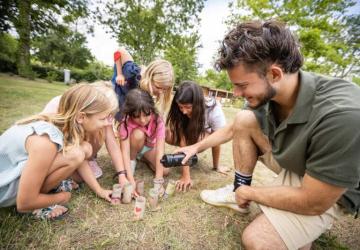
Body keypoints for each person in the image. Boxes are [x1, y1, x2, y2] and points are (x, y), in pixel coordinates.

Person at [175, 20, 360, 249]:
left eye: (242, 85)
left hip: (328, 189)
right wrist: (195, 148)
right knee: (243, 119)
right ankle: (240, 196)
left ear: (274, 74)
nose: (236, 93)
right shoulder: (268, 93)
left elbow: (314, 201)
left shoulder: (342, 114)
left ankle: (281, 221)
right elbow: (234, 129)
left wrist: (252, 192)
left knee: (257, 240)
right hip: (296, 165)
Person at [0, 84, 116, 219]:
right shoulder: (45, 142)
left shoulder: (64, 125)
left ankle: (42, 194)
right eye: (102, 119)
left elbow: (80, 160)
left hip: (14, 179)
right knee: (77, 153)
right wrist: (62, 197)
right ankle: (37, 205)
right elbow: (24, 203)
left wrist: (99, 190)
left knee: (81, 150)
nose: (106, 124)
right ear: (81, 117)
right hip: (5, 190)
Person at [42, 81, 135, 189]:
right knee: (78, 172)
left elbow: (111, 142)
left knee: (82, 174)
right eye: (104, 117)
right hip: (52, 155)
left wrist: (122, 174)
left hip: (72, 149)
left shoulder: (94, 117)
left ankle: (83, 161)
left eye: (109, 116)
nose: (108, 122)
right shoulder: (57, 110)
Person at [165, 81, 228, 192]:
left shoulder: (214, 110)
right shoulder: (181, 112)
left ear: (198, 103)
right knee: (166, 133)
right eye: (180, 107)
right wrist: (186, 175)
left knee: (210, 136)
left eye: (188, 107)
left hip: (201, 138)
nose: (184, 111)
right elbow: (183, 138)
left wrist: (216, 166)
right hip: (187, 136)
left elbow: (217, 138)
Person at [118, 88, 169, 196]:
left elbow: (160, 151)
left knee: (165, 171)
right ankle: (133, 162)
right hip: (134, 148)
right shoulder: (126, 123)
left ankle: (143, 158)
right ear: (130, 113)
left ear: (151, 109)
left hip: (147, 148)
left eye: (146, 115)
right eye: (136, 116)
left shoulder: (158, 120)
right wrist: (130, 179)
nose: (142, 120)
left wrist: (158, 181)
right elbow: (125, 152)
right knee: (138, 134)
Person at [111, 47, 174, 120]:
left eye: (164, 89)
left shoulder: (147, 93)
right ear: (149, 78)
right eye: (158, 87)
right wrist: (119, 74)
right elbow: (119, 51)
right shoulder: (131, 72)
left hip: (126, 107)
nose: (160, 92)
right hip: (116, 95)